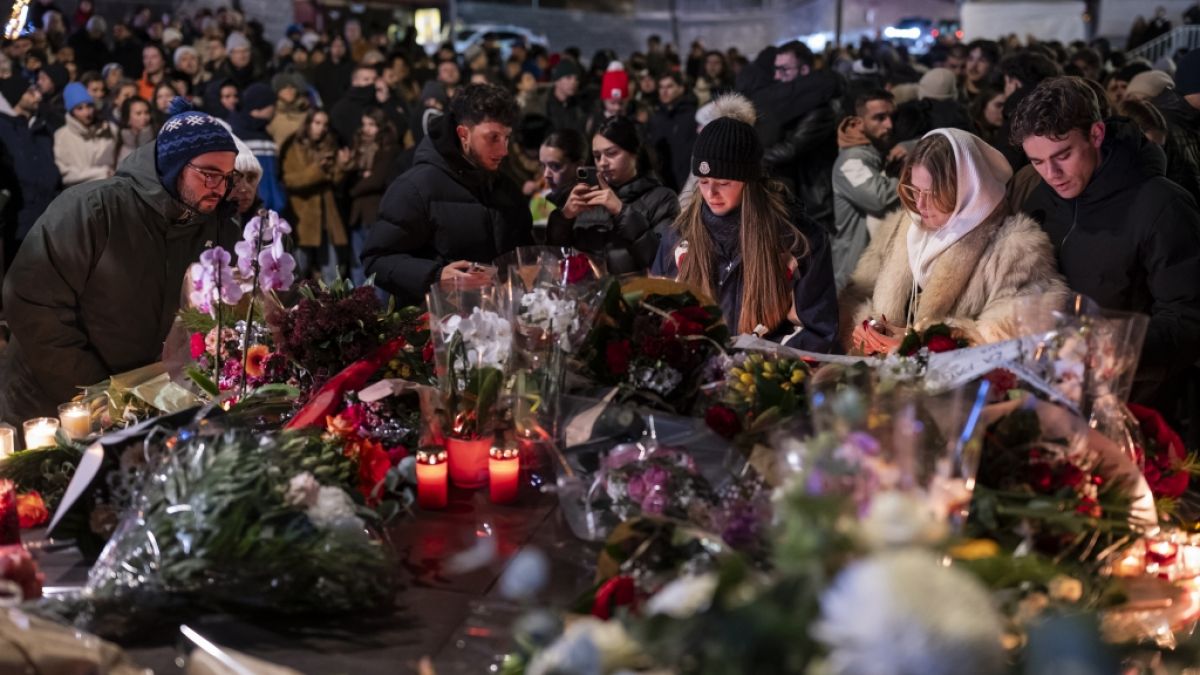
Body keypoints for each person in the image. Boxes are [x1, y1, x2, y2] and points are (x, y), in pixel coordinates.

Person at [0, 99, 241, 423]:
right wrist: (92, 390)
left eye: (227, 177)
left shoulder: (211, 225)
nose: (219, 188)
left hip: (136, 403)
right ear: (173, 165)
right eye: (208, 174)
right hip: (48, 401)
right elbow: (32, 301)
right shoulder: (94, 209)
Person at [1013, 77, 1200, 403]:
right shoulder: (1041, 201)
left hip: (1139, 401)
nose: (1051, 173)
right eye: (1037, 162)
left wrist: (1115, 346)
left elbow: (1188, 319)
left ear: (1096, 134)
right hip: (1056, 393)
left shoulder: (1161, 205)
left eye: (1063, 155)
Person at [841, 129, 1068, 353]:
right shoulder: (900, 228)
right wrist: (868, 330)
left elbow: (1012, 335)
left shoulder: (1016, 249)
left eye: (932, 193)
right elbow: (856, 296)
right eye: (915, 190)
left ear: (967, 188)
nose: (920, 205)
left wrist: (921, 344)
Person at [651, 117, 837, 352]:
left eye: (724, 182)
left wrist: (755, 363)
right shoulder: (678, 237)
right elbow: (656, 316)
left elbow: (817, 330)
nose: (711, 193)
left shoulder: (798, 241)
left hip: (765, 378)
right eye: (704, 181)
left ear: (749, 182)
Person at [362, 83, 534, 305]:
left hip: (499, 323)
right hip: (436, 327)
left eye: (506, 138)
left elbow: (524, 254)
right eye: (493, 138)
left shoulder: (506, 187)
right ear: (464, 134)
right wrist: (436, 276)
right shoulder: (415, 187)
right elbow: (376, 259)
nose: (503, 150)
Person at [547, 115, 678, 273]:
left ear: (634, 153)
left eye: (611, 153)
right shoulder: (585, 192)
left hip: (635, 292)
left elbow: (664, 262)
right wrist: (565, 217)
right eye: (597, 156)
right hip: (585, 291)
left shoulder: (662, 198)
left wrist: (622, 212)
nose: (603, 162)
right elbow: (554, 255)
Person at [830, 86, 901, 290]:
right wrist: (912, 178)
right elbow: (877, 198)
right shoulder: (850, 161)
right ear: (857, 123)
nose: (889, 124)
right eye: (879, 118)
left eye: (891, 116)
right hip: (856, 274)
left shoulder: (878, 153)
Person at [280, 108, 348, 280]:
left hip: (326, 218)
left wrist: (341, 165)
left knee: (332, 273)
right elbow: (291, 180)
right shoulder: (294, 146)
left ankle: (335, 306)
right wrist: (318, 170)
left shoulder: (329, 145)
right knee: (297, 271)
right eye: (317, 123)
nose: (321, 128)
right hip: (303, 218)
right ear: (308, 124)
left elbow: (334, 182)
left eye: (325, 124)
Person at [0, 77, 60, 268]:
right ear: (16, 96)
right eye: (30, 92)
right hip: (17, 218)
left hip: (47, 216)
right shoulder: (3, 128)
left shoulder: (42, 128)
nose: (37, 95)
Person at [344, 108, 400, 276]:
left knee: (376, 263)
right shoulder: (358, 148)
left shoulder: (388, 148)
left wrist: (354, 188)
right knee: (358, 263)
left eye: (371, 125)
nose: (366, 129)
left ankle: (378, 302)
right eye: (364, 124)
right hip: (358, 214)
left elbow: (377, 179)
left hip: (375, 211)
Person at [229, 82, 286, 216]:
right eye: (273, 104)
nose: (275, 110)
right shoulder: (236, 133)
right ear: (262, 105)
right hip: (248, 209)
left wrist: (280, 199)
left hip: (274, 208)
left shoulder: (267, 135)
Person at [53, 81, 117, 186]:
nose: (87, 113)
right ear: (71, 111)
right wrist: (101, 173)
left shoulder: (109, 129)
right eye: (80, 108)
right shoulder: (61, 136)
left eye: (89, 106)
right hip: (78, 195)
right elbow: (66, 175)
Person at [647, 71, 698, 192]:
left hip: (688, 183)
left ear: (681, 88)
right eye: (661, 87)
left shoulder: (693, 117)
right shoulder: (655, 118)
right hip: (662, 184)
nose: (664, 91)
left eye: (669, 86)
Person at [538, 127, 587, 211]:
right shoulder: (542, 202)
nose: (546, 174)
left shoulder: (592, 205)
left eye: (555, 166)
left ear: (579, 166)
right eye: (543, 166)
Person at [543, 57, 588, 137]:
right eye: (568, 78)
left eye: (576, 79)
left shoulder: (579, 105)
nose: (573, 82)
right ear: (557, 80)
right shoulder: (544, 104)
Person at [113, 95, 154, 166]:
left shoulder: (156, 140)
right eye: (138, 113)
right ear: (128, 118)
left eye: (146, 113)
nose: (144, 117)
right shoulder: (119, 141)